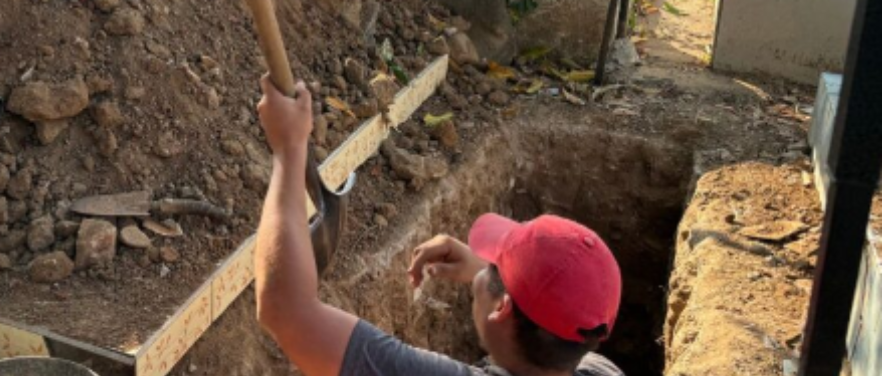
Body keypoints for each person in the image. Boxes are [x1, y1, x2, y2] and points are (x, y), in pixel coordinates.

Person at [254, 77, 625, 376]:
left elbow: (286, 310)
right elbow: (560, 311)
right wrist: (490, 276)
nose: (484, 267)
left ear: (503, 309)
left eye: (495, 267)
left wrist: (289, 150)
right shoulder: (599, 368)